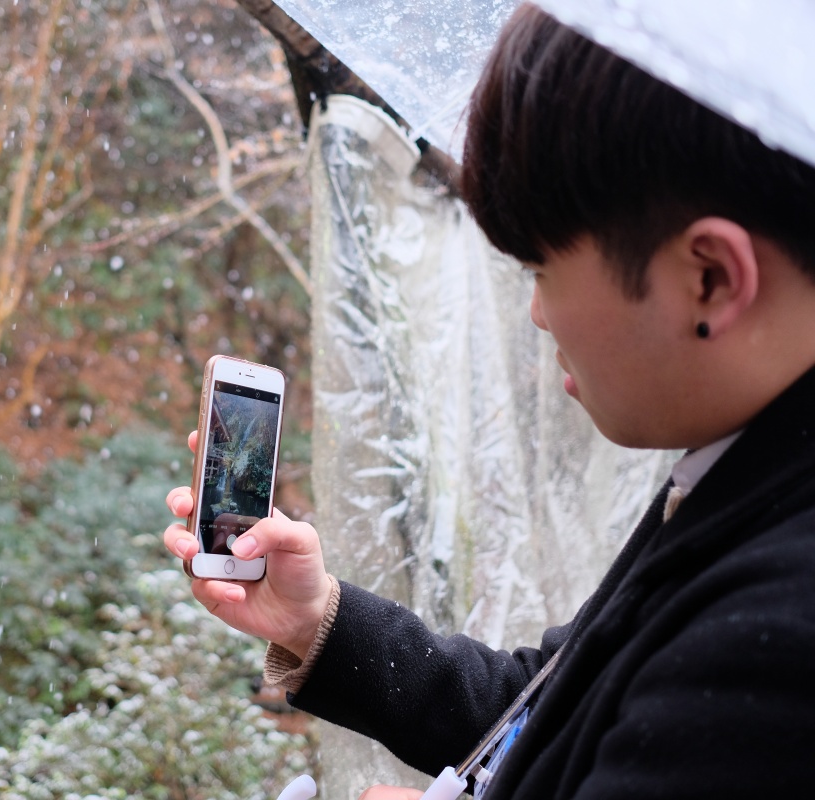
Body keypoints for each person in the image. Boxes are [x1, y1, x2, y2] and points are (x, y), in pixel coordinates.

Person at [164, 4, 815, 799]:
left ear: (709, 276)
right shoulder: (745, 473)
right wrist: (318, 622)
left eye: (541, 270)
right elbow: (552, 708)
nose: (538, 315)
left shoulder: (781, 637)